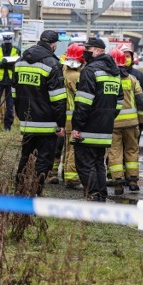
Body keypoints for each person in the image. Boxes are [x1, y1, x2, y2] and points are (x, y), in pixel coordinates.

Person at [13, 30, 67, 192]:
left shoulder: (20, 61)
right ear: (53, 45)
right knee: (44, 160)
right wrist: (61, 124)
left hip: (27, 120)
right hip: (47, 123)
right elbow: (58, 99)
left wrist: (21, 114)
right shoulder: (52, 64)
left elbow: (14, 92)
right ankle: (35, 191)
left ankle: (20, 188)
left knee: (26, 156)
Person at [71, 37, 123, 201]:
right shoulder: (115, 72)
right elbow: (119, 101)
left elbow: (83, 102)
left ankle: (93, 195)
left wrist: (77, 126)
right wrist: (108, 117)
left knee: (84, 164)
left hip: (88, 127)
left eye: (88, 49)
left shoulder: (90, 70)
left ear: (96, 50)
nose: (85, 52)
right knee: (98, 163)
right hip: (105, 129)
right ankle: (101, 194)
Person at [106, 49, 143, 194]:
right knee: (132, 151)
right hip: (131, 123)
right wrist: (141, 120)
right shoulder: (132, 79)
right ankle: (133, 180)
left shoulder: (109, 80)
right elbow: (141, 101)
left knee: (115, 152)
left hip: (113, 124)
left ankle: (117, 183)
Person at [62, 43, 85, 188]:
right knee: (74, 148)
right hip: (73, 117)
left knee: (67, 147)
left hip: (65, 116)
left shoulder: (64, 72)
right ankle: (71, 178)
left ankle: (66, 174)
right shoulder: (76, 76)